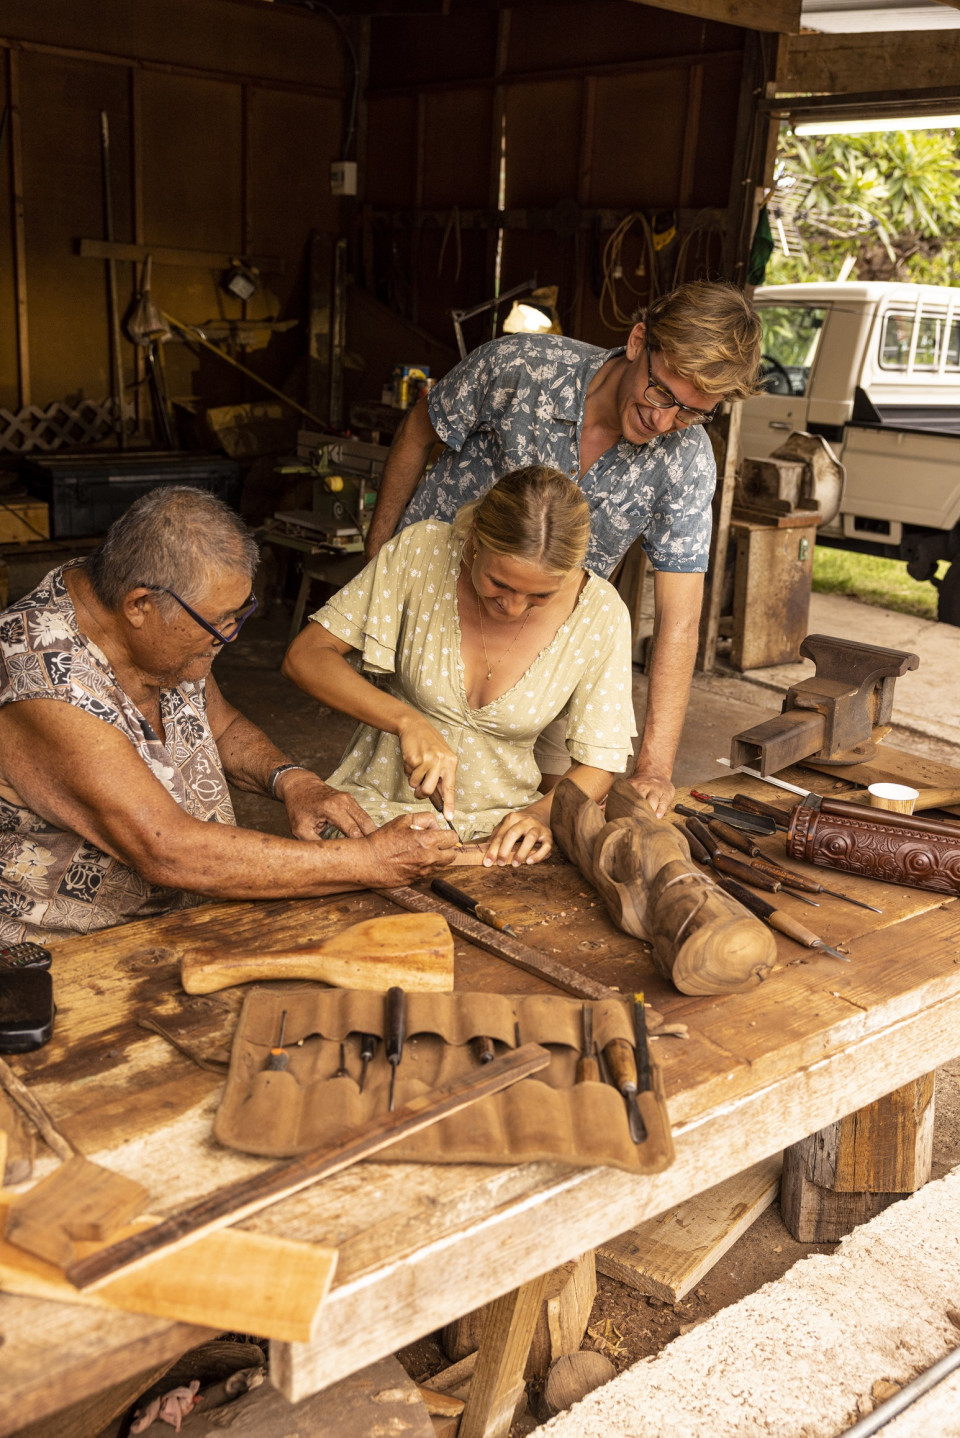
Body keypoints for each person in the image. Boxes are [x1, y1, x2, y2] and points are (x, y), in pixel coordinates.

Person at [364, 280, 762, 817]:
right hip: (430, 623)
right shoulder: (519, 367)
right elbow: (418, 430)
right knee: (392, 788)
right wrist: (375, 558)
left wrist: (654, 769)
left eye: (692, 412)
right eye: (663, 392)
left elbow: (679, 618)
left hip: (536, 653)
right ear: (639, 341)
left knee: (553, 811)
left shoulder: (686, 460)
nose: (664, 421)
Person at [0, 487, 457, 945]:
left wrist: (294, 781)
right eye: (219, 621)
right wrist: (367, 861)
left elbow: (220, 725)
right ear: (139, 605)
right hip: (68, 953)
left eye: (238, 615)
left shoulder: (166, 638)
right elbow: (167, 849)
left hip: (185, 916)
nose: (229, 636)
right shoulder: (41, 680)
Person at [282, 466, 636, 867]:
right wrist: (406, 721)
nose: (513, 607)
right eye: (498, 584)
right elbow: (305, 656)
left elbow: (600, 761)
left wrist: (539, 816)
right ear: (473, 544)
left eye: (539, 595)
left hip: (498, 836)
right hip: (374, 815)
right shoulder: (421, 552)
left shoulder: (600, 612)